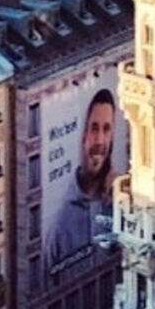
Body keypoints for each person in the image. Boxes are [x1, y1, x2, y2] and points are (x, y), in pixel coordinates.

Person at [46, 88, 120, 261]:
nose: (100, 140)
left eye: (106, 129)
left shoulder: (121, 202)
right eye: (94, 128)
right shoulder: (59, 226)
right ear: (82, 135)